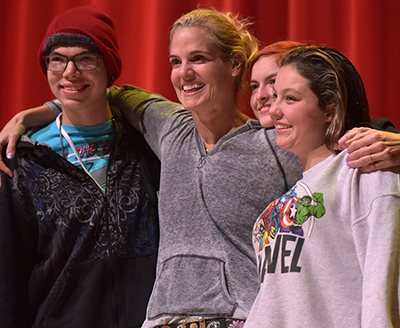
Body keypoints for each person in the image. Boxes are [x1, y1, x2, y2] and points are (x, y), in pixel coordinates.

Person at [0, 5, 160, 327]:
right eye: (57, 59)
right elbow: (8, 280)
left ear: (109, 68)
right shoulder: (23, 159)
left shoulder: (148, 146)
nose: (70, 72)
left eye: (86, 59)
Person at [244, 45, 400, 327]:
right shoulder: (272, 210)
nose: (275, 109)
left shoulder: (364, 172)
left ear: (330, 109)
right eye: (276, 96)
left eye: (290, 98)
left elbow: (383, 288)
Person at [248, 40, 400, 170]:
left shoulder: (368, 137)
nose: (260, 95)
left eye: (272, 82)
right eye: (254, 86)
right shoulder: (246, 143)